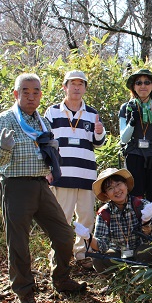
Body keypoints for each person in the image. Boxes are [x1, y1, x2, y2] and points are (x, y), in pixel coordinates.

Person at [0, 73, 87, 303]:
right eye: (25, 92)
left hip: (41, 185)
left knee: (64, 235)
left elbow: (48, 155)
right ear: (16, 94)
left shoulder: (42, 122)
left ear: (41, 94)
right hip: (15, 186)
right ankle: (24, 293)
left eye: (35, 92)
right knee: (19, 243)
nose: (31, 96)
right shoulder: (7, 119)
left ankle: (61, 278)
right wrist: (3, 148)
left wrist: (53, 152)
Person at [44, 70, 106, 270]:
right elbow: (44, 143)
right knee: (61, 218)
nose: (77, 87)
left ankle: (82, 254)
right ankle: (59, 255)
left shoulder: (91, 113)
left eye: (81, 84)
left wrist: (99, 132)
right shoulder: (52, 112)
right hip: (62, 175)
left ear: (85, 89)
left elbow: (99, 143)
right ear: (65, 87)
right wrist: (47, 170)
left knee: (86, 218)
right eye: (73, 84)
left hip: (87, 175)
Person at [75, 168, 152, 273]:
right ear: (106, 194)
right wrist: (88, 237)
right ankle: (119, 279)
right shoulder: (104, 213)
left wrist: (146, 222)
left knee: (149, 251)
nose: (116, 190)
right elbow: (101, 246)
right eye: (110, 188)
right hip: (118, 256)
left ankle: (143, 276)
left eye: (118, 184)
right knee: (99, 260)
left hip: (140, 253)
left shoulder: (142, 205)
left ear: (126, 185)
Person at [119, 69, 152, 230]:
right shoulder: (126, 108)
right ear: (133, 86)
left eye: (147, 82)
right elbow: (123, 139)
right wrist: (132, 122)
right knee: (136, 196)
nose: (143, 86)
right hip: (134, 156)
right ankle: (136, 235)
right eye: (138, 82)